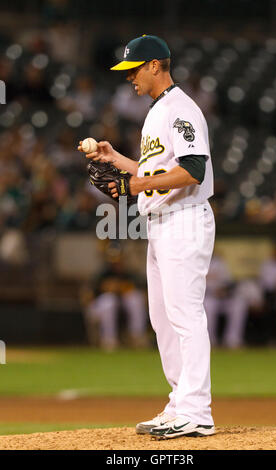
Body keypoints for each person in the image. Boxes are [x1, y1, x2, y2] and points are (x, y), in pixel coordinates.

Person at [79, 35, 215, 440]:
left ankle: (197, 411)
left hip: (184, 219)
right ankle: (180, 403)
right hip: (161, 224)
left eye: (135, 69)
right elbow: (158, 168)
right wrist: (116, 159)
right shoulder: (158, 112)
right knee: (163, 319)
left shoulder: (179, 109)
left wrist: (132, 186)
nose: (130, 77)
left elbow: (193, 169)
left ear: (156, 65)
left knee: (185, 315)